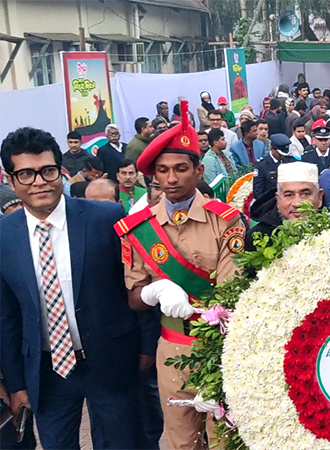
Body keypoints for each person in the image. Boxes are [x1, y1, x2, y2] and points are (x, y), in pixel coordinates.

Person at [116, 100, 246, 450]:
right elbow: (133, 296)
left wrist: (216, 358)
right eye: (162, 170)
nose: (171, 178)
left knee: (225, 440)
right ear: (153, 175)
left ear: (198, 170)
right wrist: (153, 292)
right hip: (172, 348)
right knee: (179, 442)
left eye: (180, 168)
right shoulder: (137, 229)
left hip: (221, 346)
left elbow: (231, 293)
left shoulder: (226, 220)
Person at [0, 127, 141, 449]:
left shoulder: (106, 218)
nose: (39, 182)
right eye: (26, 174)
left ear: (60, 171)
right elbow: (6, 318)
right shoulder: (4, 237)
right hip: (48, 372)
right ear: (11, 180)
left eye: (47, 171)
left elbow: (134, 282)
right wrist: (16, 383)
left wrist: (145, 347)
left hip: (109, 361)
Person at [246, 162, 323, 250]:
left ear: (319, 197)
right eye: (289, 195)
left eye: (305, 194)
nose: (297, 203)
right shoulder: (258, 236)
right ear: (278, 199)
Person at [253, 133, 293, 201]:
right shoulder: (262, 165)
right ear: (272, 149)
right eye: (280, 154)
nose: (282, 156)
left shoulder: (289, 160)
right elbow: (258, 192)